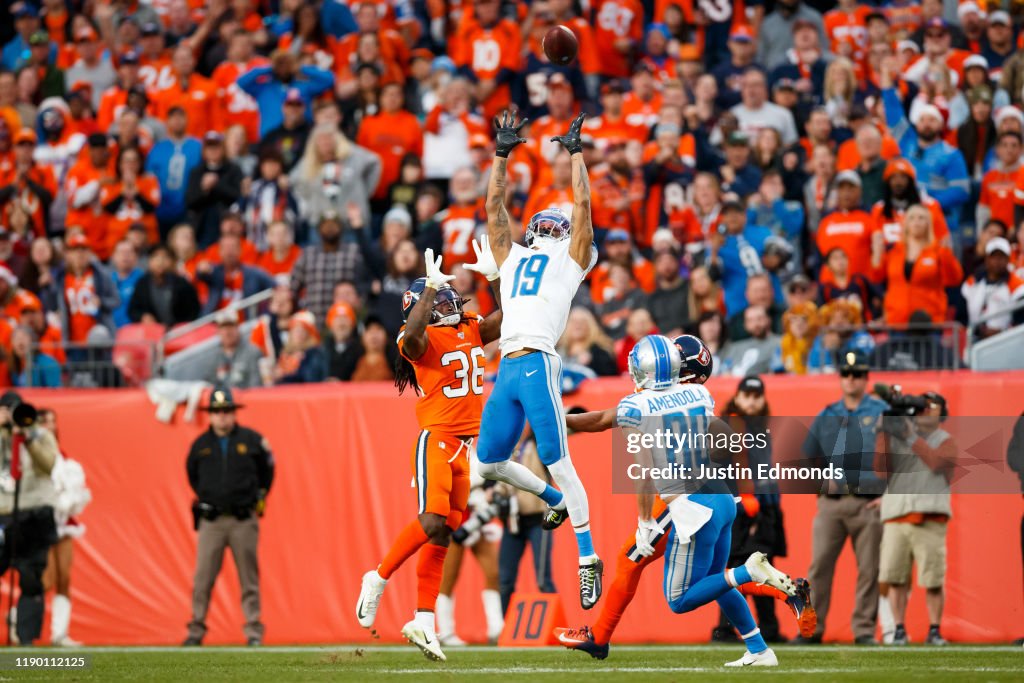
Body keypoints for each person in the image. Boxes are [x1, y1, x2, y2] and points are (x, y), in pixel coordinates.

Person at [555, 335, 801, 665]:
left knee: (678, 597)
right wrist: (558, 423)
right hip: (721, 496)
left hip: (686, 503)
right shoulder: (699, 393)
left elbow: (643, 470)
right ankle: (759, 648)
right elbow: (725, 440)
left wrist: (645, 523)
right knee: (716, 580)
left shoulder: (636, 405)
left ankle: (749, 572)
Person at [475, 111, 604, 609]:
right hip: (510, 365)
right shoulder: (563, 255)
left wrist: (502, 153)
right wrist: (573, 152)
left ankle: (587, 557)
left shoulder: (533, 257)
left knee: (559, 463)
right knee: (488, 464)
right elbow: (583, 204)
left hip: (534, 364)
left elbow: (493, 205)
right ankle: (552, 502)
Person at [355, 243, 502, 661]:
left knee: (445, 529)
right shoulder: (416, 337)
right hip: (436, 438)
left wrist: (496, 278)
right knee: (432, 520)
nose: (451, 302)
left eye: (449, 295)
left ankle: (424, 620)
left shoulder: (468, 326)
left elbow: (508, 318)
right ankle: (378, 576)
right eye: (442, 297)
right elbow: (415, 334)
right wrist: (426, 292)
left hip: (465, 448)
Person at [799, 349, 887, 644]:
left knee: (869, 570)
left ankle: (863, 631)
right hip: (831, 503)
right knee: (819, 568)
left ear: (866, 378)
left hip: (868, 502)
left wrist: (890, 496)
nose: (851, 379)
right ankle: (812, 629)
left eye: (857, 374)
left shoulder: (882, 411)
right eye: (847, 374)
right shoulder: (828, 414)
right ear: (841, 379)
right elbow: (808, 455)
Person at [185, 385, 274, 646]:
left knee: (249, 577)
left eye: (226, 411)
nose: (222, 416)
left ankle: (254, 631)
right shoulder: (200, 446)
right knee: (203, 577)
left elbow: (267, 471)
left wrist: (258, 496)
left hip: (242, 519)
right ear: (210, 415)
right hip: (211, 520)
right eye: (217, 411)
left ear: (234, 413)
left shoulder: (252, 441)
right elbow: (192, 476)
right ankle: (196, 630)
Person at [874, 393, 955, 646]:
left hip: (930, 518)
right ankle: (898, 628)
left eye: (932, 407)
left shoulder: (947, 441)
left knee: (932, 579)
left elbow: (934, 463)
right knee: (895, 577)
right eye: (923, 407)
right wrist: (883, 432)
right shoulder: (898, 438)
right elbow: (879, 468)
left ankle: (934, 629)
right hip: (897, 516)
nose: (925, 411)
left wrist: (910, 436)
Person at [0, 390, 58, 645]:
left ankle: (25, 640)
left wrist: (27, 438)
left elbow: (50, 465)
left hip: (35, 514)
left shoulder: (40, 435)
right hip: (4, 515)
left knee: (31, 577)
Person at [37, 408, 90, 647]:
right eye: (44, 421)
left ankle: (60, 633)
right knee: (45, 578)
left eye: (52, 421)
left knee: (64, 577)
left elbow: (75, 497)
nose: (49, 425)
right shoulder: (34, 456)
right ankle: (19, 619)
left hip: (63, 524)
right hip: (41, 522)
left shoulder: (66, 462)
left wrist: (67, 501)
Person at [961, 237, 1024, 338]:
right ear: (986, 259)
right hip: (974, 340)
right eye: (993, 257)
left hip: (1004, 342)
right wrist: (977, 331)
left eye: (1001, 257)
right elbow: (961, 315)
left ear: (1008, 259)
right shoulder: (972, 283)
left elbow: (1020, 320)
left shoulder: (1018, 286)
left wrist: (1003, 331)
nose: (997, 261)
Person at [128, 244, 201, 327]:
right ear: (149, 261)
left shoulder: (182, 284)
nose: (160, 261)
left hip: (180, 333)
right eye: (156, 256)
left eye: (165, 257)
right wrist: (142, 316)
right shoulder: (142, 284)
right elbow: (133, 310)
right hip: (152, 333)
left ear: (173, 261)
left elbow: (194, 311)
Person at [272, 311, 328, 384]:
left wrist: (285, 375)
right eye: (296, 329)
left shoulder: (314, 353)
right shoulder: (285, 353)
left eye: (303, 330)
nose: (299, 334)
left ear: (309, 334)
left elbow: (311, 379)